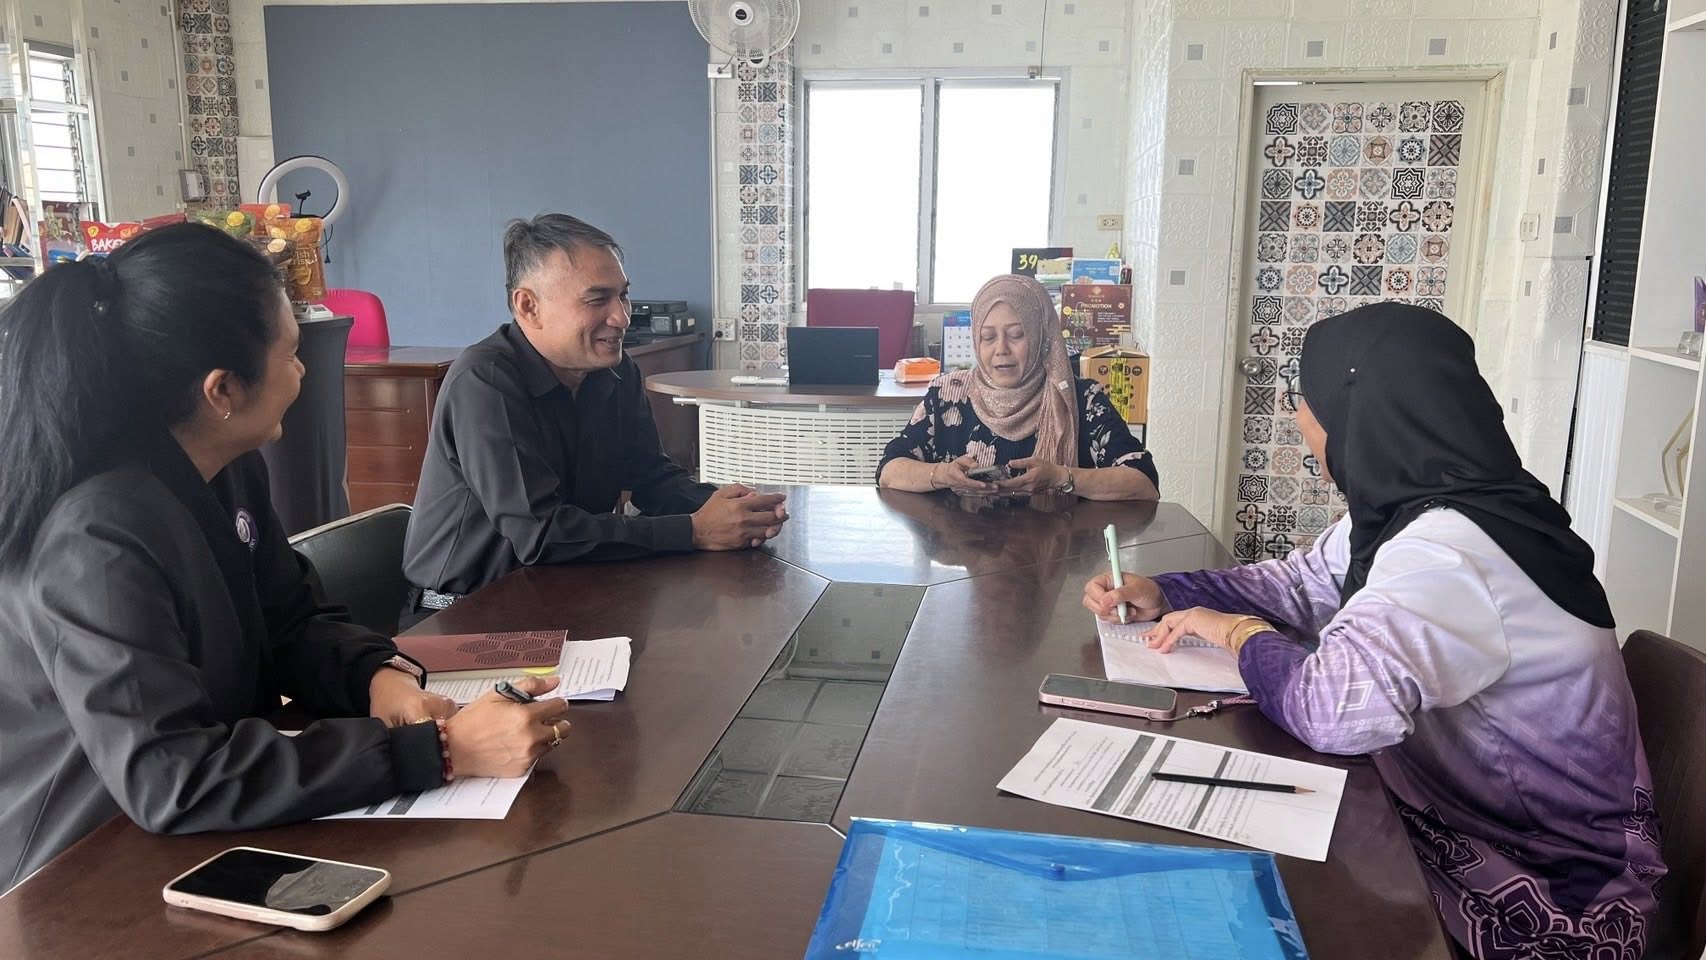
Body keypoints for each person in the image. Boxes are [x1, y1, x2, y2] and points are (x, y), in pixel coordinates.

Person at [0, 223, 573, 893]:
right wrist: (440, 751)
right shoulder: (96, 537)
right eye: (291, 353)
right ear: (222, 391)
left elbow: (292, 621)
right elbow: (170, 777)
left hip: (212, 830)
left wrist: (375, 677)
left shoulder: (224, 468)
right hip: (83, 869)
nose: (302, 371)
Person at [1082, 304, 1665, 958]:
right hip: (1456, 824)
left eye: (1310, 401)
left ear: (1362, 415)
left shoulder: (1452, 554)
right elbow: (1298, 584)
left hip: (1546, 892)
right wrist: (1168, 593)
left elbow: (1332, 710)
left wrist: (1239, 633)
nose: (1301, 419)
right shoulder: (1439, 507)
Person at [403, 214, 787, 603]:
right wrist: (694, 530)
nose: (622, 317)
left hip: (566, 589)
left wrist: (736, 511)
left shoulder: (616, 371)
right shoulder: (485, 382)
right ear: (529, 306)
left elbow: (652, 478)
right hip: (466, 610)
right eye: (597, 299)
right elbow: (541, 534)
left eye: (623, 295)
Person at [876, 274, 1159, 501]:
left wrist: (1062, 477)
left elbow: (1143, 482)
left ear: (1041, 338)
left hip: (1056, 552)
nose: (1001, 349)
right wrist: (941, 475)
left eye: (1016, 335)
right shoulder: (947, 394)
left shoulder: (1081, 400)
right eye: (988, 337)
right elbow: (889, 470)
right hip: (963, 551)